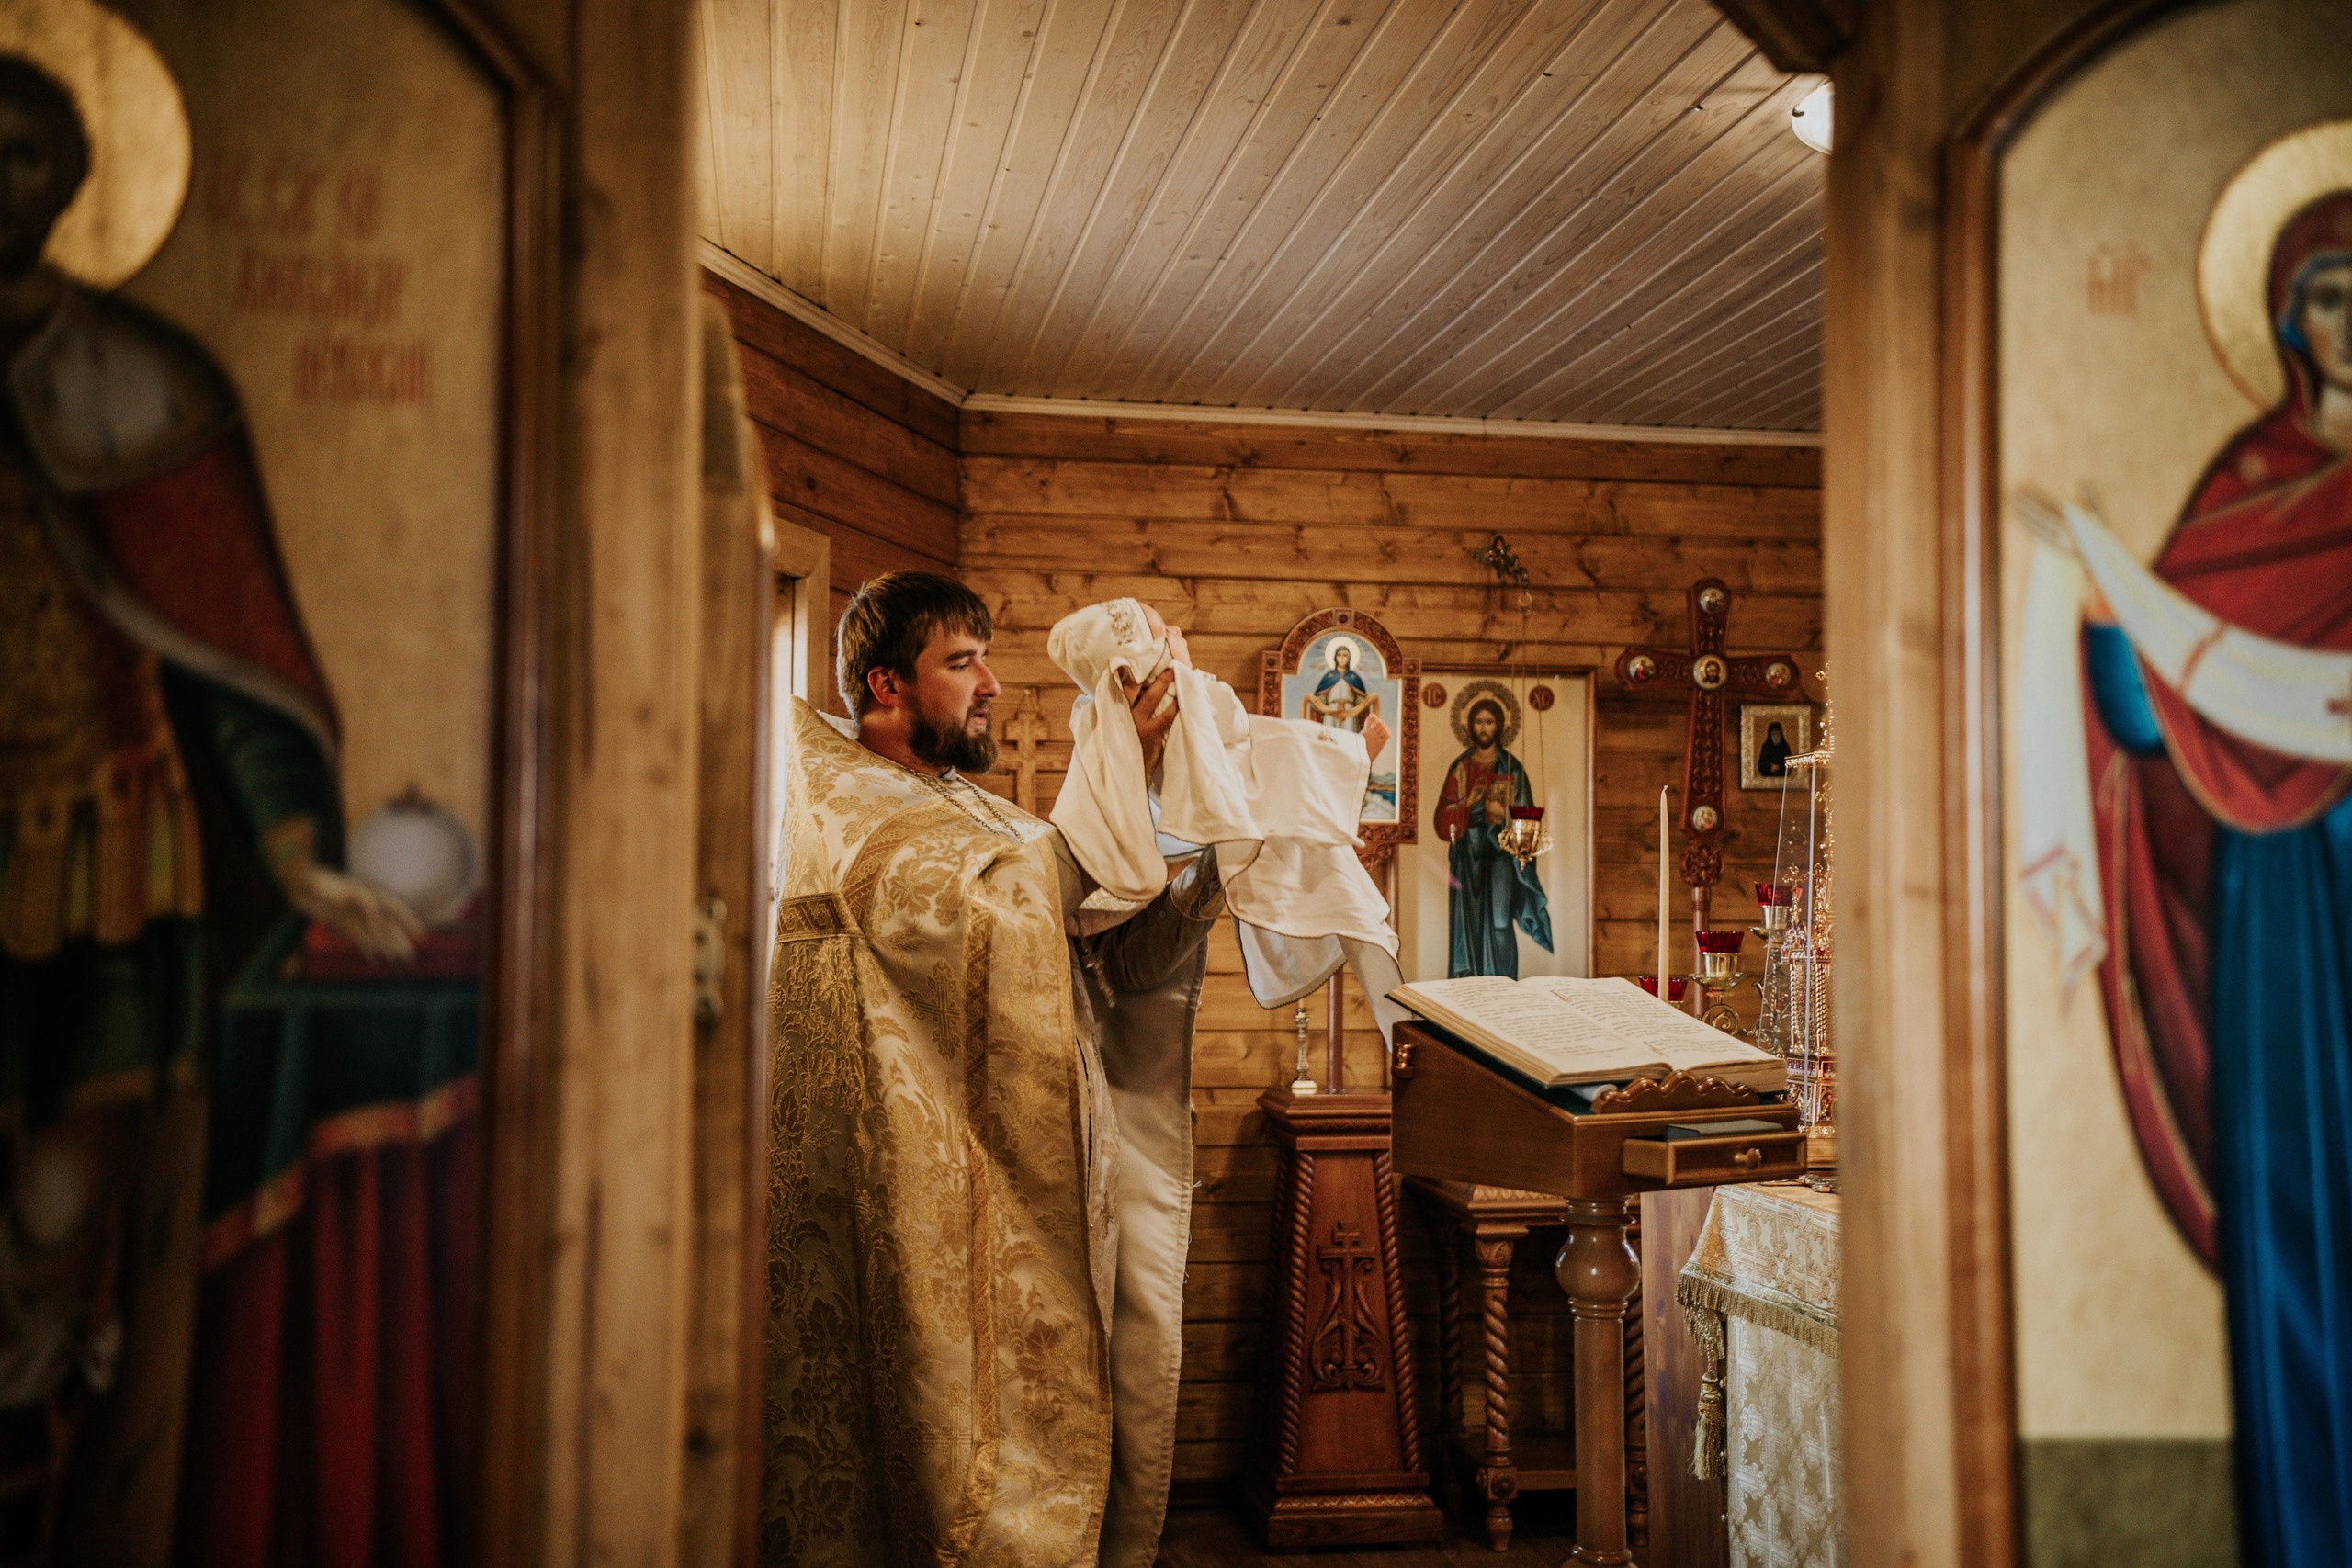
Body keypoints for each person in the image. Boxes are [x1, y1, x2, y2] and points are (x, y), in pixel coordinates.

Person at [0, 53, 417, 1563]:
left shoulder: (144, 389)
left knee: (57, 1227)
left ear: (71, 186)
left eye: (25, 151)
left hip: (105, 852)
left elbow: (236, 661)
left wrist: (300, 852)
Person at [764, 572, 1226, 1568]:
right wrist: (1119, 760)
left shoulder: (980, 818)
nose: (994, 684)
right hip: (921, 1209)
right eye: (963, 661)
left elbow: (1114, 965)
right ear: (887, 685)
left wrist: (1213, 838)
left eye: (987, 657)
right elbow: (1001, 906)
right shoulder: (845, 821)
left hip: (1041, 1197)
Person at [2068, 191, 2352, 1568]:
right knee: (2298, 1202)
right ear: (2291, 319)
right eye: (2331, 292)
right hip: (2284, 897)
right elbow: (2142, 711)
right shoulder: (2249, 484)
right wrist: (2109, 618)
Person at [1430, 698, 1551, 977]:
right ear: (1470, 726)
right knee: (1467, 922)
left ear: (1499, 727)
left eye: (1489, 721)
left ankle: (1503, 984)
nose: (1483, 728)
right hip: (1467, 856)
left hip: (1501, 857)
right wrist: (1467, 803)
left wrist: (1505, 815)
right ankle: (1467, 982)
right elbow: (1440, 820)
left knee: (1499, 922)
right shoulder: (1460, 768)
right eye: (1478, 721)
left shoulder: (1513, 768)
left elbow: (1528, 825)